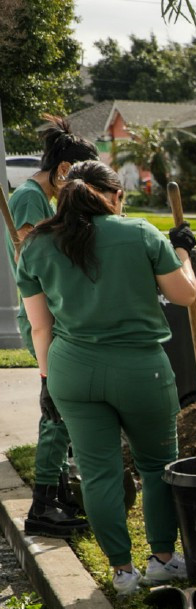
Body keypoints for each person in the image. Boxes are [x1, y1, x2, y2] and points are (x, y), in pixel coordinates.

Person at [16, 161, 196, 595]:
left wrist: (46, 379)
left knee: (98, 473)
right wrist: (185, 254)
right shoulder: (140, 233)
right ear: (113, 196)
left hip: (71, 370)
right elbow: (185, 295)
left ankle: (122, 572)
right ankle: (163, 560)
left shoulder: (36, 245)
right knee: (157, 467)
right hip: (140, 369)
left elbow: (40, 327)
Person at [5, 116, 99, 537]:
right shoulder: (28, 199)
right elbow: (34, 256)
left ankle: (57, 489)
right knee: (55, 409)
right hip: (41, 315)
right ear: (64, 172)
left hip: (56, 314)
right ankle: (44, 504)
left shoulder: (43, 197)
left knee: (61, 406)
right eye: (80, 185)